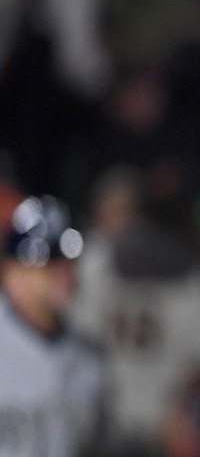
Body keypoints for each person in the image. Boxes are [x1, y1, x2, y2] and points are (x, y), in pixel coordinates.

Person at [0, 194, 103, 457]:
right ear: (11, 270)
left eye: (67, 258)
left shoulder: (88, 356)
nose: (63, 271)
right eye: (46, 261)